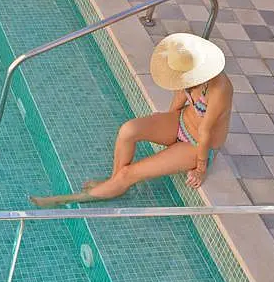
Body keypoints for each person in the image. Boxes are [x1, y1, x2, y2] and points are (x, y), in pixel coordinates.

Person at [30, 32, 232, 207]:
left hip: (197, 145)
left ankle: (67, 199)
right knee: (128, 130)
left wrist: (200, 169)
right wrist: (167, 125)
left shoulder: (220, 88)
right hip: (181, 123)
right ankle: (115, 183)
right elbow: (180, 99)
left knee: (129, 173)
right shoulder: (186, 74)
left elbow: (205, 131)